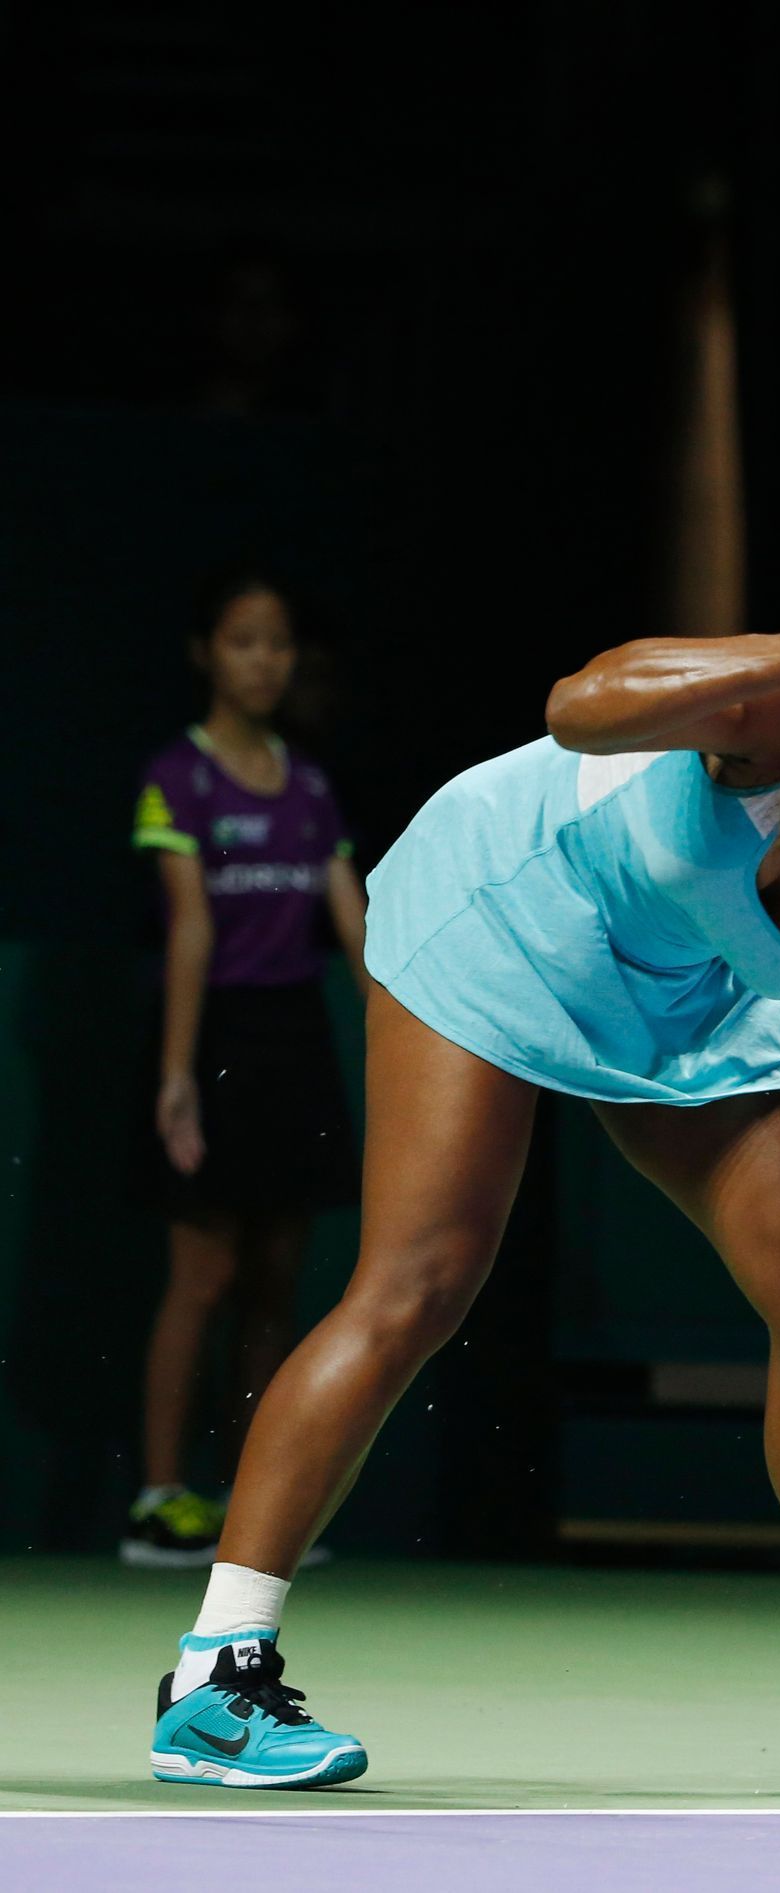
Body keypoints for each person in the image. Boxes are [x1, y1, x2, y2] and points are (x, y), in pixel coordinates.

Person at [146, 478, 780, 1799]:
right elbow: (577, 701)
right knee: (418, 1284)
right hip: (507, 919)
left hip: (684, 992)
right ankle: (215, 1681)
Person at [122, 576, 368, 1568]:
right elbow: (189, 928)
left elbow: (353, 929)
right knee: (204, 1273)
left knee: (274, 1279)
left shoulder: (308, 787)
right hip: (212, 1035)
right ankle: (159, 1500)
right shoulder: (176, 779)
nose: (265, 662)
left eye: (278, 645)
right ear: (205, 655)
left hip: (295, 1039)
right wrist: (177, 1077)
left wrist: (403, 1039)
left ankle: (248, 1511)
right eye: (243, 643)